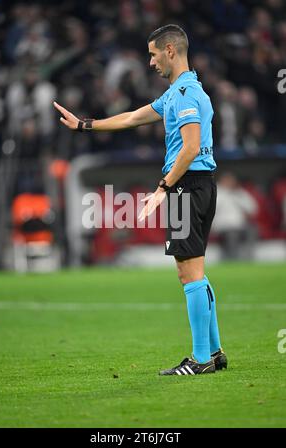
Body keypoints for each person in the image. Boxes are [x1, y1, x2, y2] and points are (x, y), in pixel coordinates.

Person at [54, 24, 227, 376]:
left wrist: (163, 188)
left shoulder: (185, 95)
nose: (150, 62)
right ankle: (214, 351)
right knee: (195, 270)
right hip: (199, 184)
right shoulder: (182, 91)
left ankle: (200, 359)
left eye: (152, 54)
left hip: (187, 186)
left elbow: (191, 147)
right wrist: (86, 125)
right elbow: (133, 117)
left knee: (187, 272)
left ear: (170, 51)